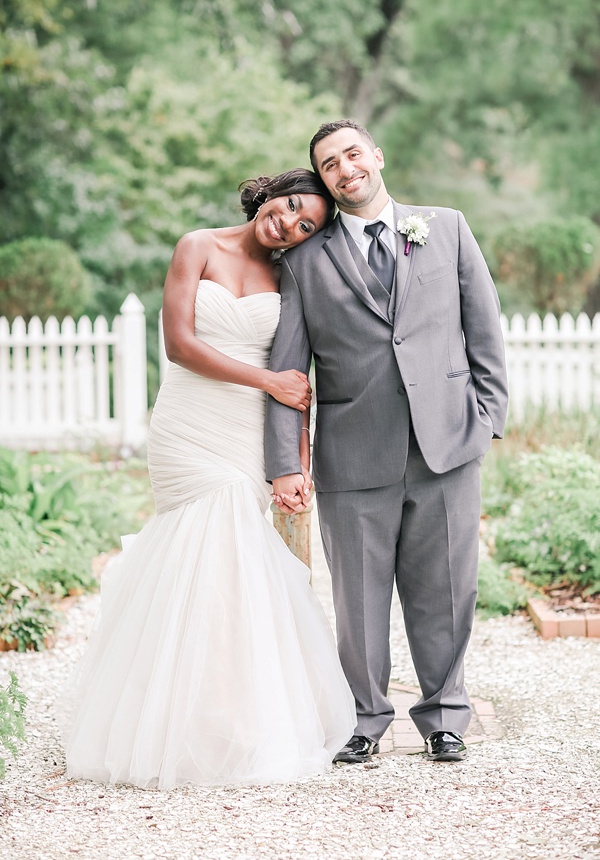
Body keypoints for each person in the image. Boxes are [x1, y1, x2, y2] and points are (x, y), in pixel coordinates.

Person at [60, 168, 356, 789]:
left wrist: (293, 461)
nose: (290, 225)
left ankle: (228, 720)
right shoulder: (198, 245)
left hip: (250, 430)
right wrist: (268, 381)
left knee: (227, 568)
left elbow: (296, 376)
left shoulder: (291, 276)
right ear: (272, 194)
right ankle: (171, 722)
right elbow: (179, 344)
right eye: (292, 207)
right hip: (190, 421)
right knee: (204, 540)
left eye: (306, 227)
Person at [266, 121, 509, 763]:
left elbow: (485, 328)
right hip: (353, 452)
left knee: (448, 591)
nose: (346, 169)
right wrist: (282, 462)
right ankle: (366, 719)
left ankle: (444, 716)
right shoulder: (302, 262)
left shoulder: (448, 227)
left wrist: (486, 418)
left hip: (447, 444)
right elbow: (289, 375)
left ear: (376, 155)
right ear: (324, 180)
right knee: (359, 600)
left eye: (352, 154)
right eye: (330, 165)